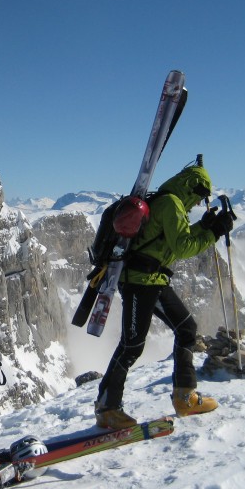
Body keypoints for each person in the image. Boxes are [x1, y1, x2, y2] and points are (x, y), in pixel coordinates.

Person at [95, 160, 234, 429]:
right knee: (132, 345)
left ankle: (185, 396)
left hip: (153, 279)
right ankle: (107, 407)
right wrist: (213, 232)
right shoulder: (171, 203)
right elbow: (181, 247)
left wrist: (205, 227)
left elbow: (171, 239)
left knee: (187, 328)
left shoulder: (169, 202)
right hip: (139, 282)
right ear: (193, 188)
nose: (197, 204)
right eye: (199, 197)